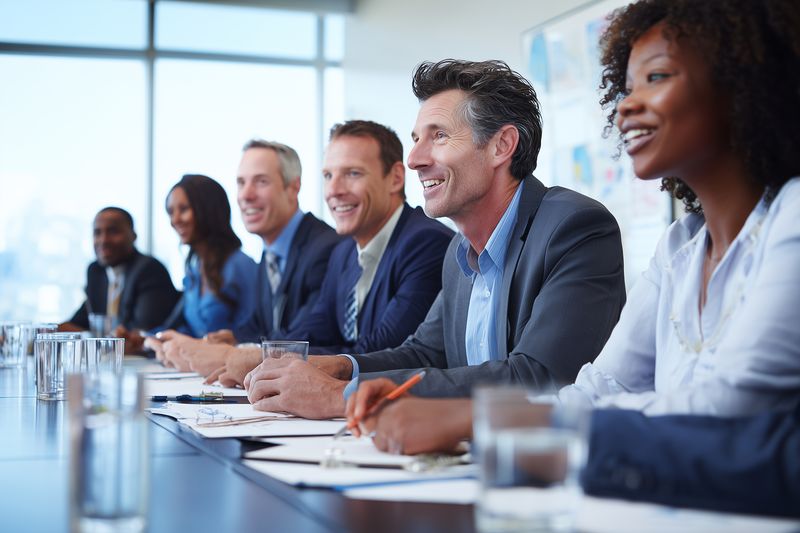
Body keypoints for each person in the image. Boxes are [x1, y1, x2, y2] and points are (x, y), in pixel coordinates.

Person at [344, 0, 800, 515]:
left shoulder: (792, 217)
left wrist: (483, 421)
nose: (627, 105)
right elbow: (596, 390)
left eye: (657, 77)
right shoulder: (680, 247)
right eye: (627, 88)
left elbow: (730, 415)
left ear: (740, 84)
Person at [244, 60, 626, 419]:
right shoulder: (459, 250)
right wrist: (343, 367)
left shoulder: (575, 228)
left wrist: (342, 395)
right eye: (415, 139)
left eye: (438, 136)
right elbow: (426, 353)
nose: (414, 159)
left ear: (501, 146)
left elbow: (537, 379)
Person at [169, 120, 454, 385]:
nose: (334, 190)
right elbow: (310, 333)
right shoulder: (343, 253)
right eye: (328, 175)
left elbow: (381, 350)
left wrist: (256, 358)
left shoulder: (425, 242)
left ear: (394, 178)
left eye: (352, 173)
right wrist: (251, 355)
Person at [145, 140, 341, 368]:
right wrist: (231, 337)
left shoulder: (326, 249)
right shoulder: (268, 257)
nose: (245, 195)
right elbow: (260, 327)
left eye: (261, 182)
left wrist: (228, 353)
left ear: (293, 187)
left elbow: (304, 340)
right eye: (241, 183)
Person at [122, 174, 258, 350]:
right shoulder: (194, 268)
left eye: (184, 209)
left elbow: (253, 333)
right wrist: (142, 339)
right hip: (193, 370)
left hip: (230, 368)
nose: (175, 220)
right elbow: (184, 329)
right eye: (171, 212)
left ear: (208, 210)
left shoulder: (242, 266)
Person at [59, 207, 179, 334]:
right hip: (110, 353)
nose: (104, 240)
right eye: (97, 233)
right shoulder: (96, 271)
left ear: (133, 236)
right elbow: (81, 321)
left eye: (113, 231)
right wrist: (50, 331)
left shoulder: (150, 270)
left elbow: (143, 329)